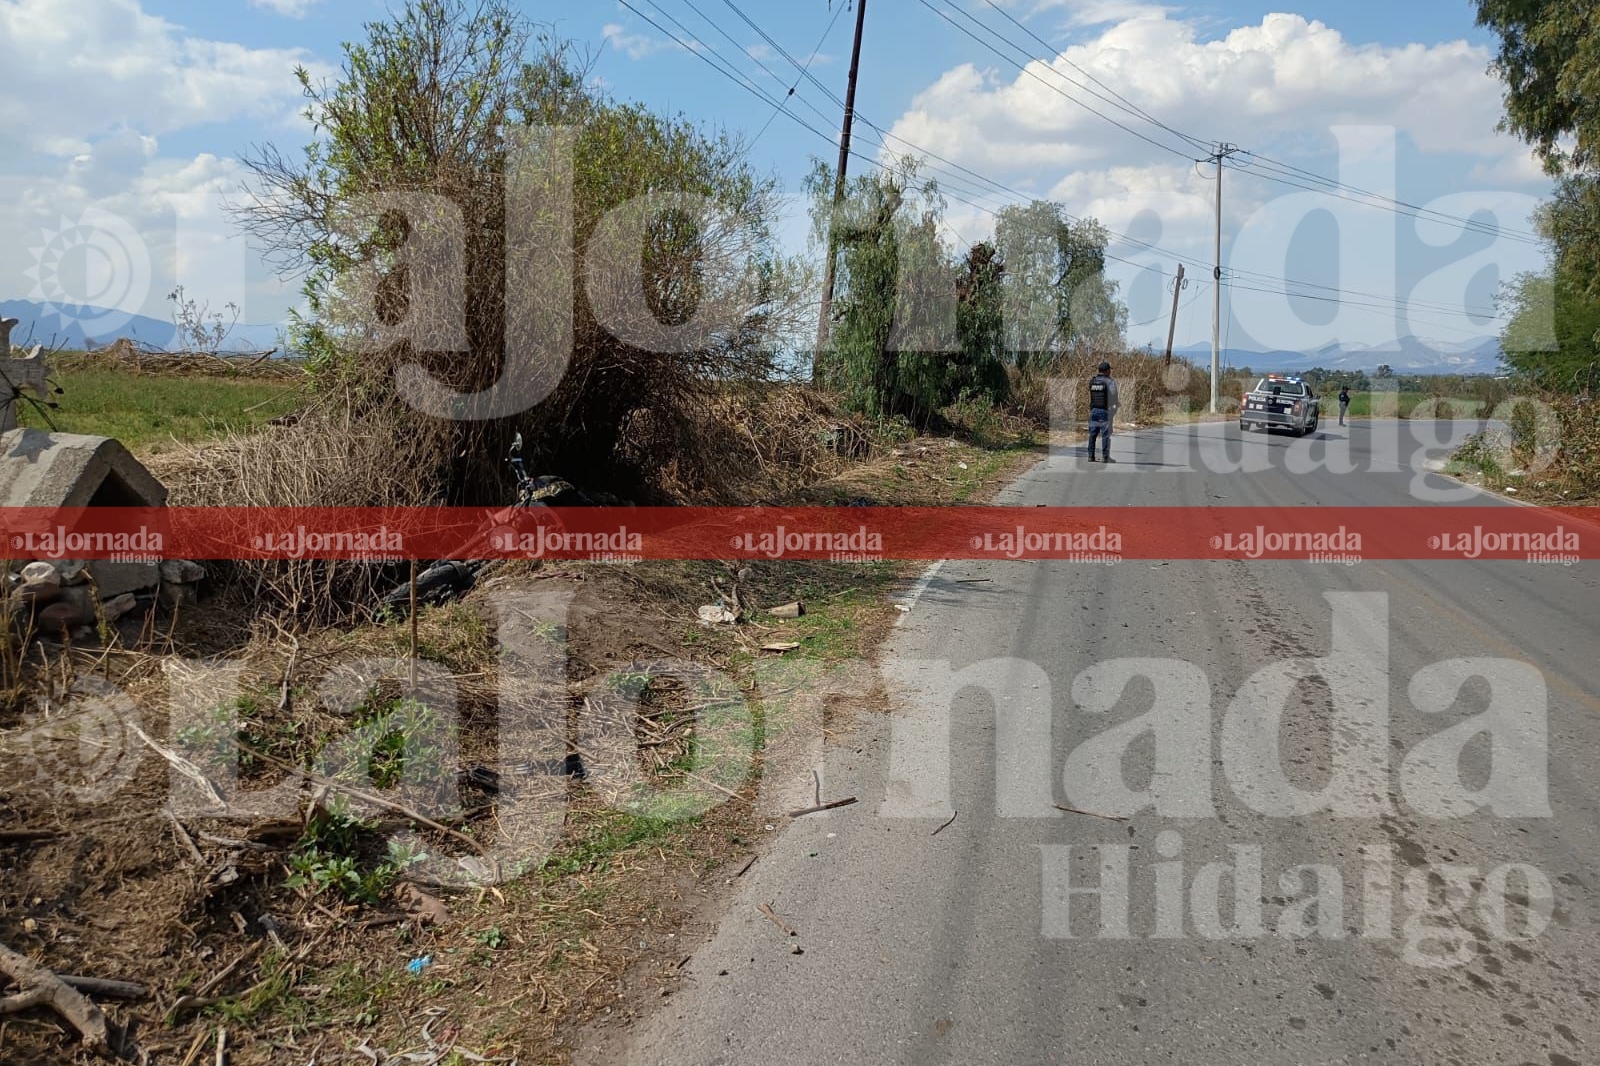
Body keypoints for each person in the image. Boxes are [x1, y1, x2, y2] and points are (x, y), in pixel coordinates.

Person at [1087, 360, 1118, 463]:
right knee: (1105, 435)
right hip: (1105, 411)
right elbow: (1114, 396)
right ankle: (1105, 457)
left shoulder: (1092, 381)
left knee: (1092, 434)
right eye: (1109, 370)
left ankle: (1091, 456)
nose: (1110, 372)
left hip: (1094, 410)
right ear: (1107, 371)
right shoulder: (1110, 382)